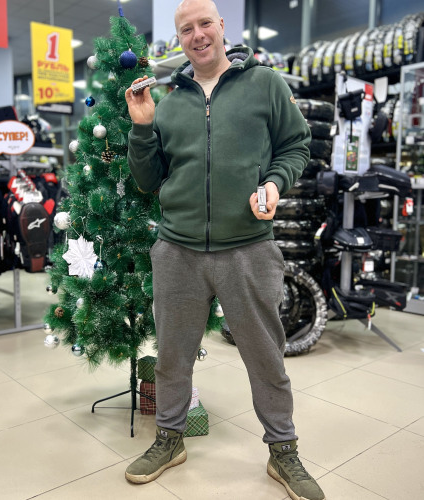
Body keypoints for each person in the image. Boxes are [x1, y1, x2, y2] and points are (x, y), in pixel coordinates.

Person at [124, 1, 324, 499]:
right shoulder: (170, 104)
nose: (197, 35)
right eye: (185, 29)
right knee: (172, 356)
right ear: (179, 39)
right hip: (178, 248)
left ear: (221, 27)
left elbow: (296, 145)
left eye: (204, 24)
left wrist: (274, 183)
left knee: (265, 357)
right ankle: (169, 438)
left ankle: (283, 449)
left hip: (248, 247)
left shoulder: (265, 85)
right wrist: (142, 126)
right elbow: (147, 180)